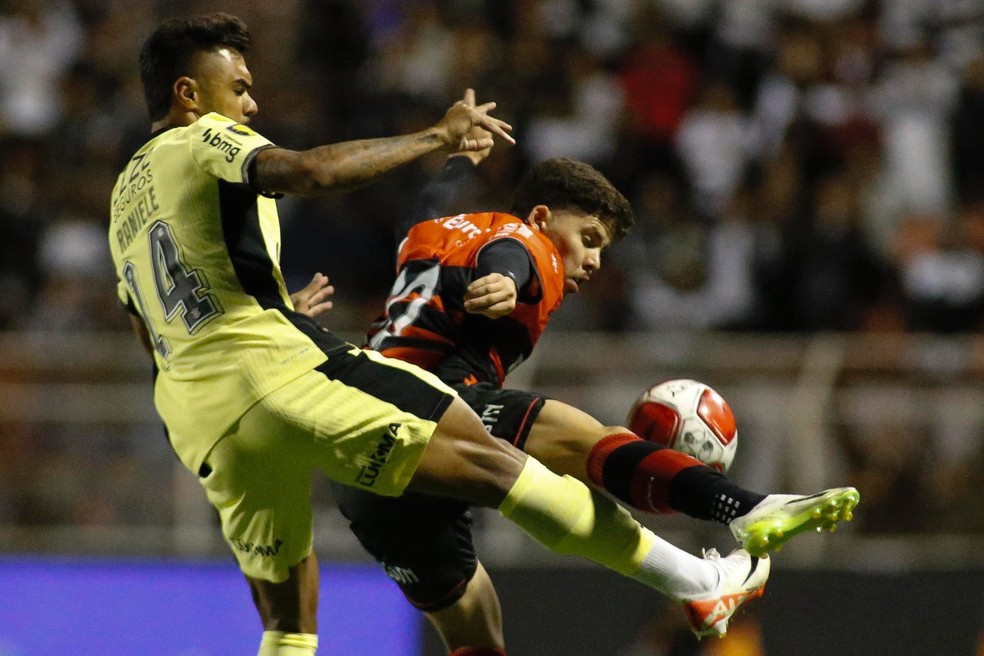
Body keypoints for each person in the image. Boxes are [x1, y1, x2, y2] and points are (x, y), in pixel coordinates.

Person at [110, 13, 782, 655]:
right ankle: (699, 582)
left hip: (198, 414)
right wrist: (437, 137)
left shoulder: (123, 204)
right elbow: (309, 172)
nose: (251, 106)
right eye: (241, 88)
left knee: (288, 621)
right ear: (190, 93)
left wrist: (277, 306)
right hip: (274, 369)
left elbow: (152, 326)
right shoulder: (200, 139)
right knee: (494, 461)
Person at [319, 148, 860, 653]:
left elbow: (439, 227)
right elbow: (513, 256)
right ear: (541, 216)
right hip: (428, 410)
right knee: (588, 443)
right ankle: (743, 509)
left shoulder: (429, 233)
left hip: (361, 466)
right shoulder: (527, 242)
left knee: (474, 621)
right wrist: (506, 282)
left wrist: (458, 161)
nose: (595, 260)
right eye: (591, 237)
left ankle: (702, 577)